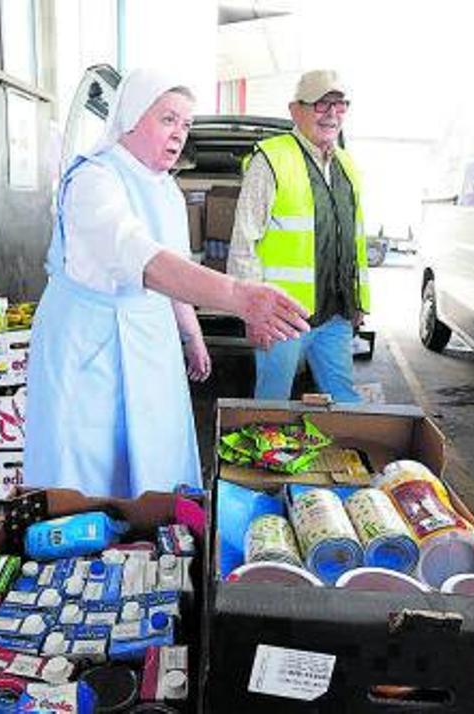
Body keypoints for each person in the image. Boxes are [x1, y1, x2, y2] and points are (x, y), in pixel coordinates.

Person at [22, 69, 310, 498]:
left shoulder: (166, 191)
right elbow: (142, 259)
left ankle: (152, 532)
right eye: (168, 119)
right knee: (87, 458)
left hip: (148, 336)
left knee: (154, 449)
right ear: (134, 116)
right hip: (87, 343)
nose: (179, 134)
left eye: (186, 124)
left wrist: (192, 336)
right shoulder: (95, 180)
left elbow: (172, 271)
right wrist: (237, 297)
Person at [228, 69, 370, 403]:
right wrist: (251, 310)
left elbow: (355, 240)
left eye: (340, 104)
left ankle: (345, 456)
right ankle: (265, 457)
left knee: (345, 400)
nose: (332, 113)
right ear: (296, 110)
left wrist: (359, 300)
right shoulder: (272, 159)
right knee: (273, 404)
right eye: (321, 104)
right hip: (282, 317)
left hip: (335, 313)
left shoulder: (348, 166)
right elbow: (244, 240)